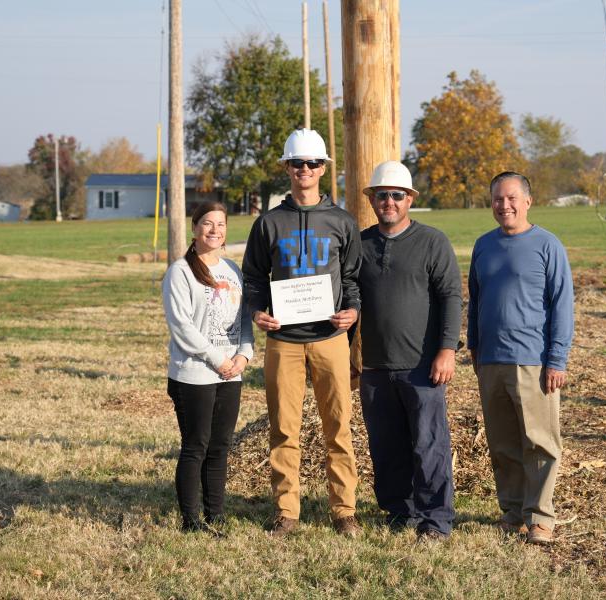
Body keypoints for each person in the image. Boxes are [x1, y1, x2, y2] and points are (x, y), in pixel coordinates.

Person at [242, 128, 362, 538]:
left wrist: (353, 311)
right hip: (284, 342)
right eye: (297, 163)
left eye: (312, 163)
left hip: (330, 339)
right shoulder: (268, 223)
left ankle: (344, 510)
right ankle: (286, 512)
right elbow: (254, 277)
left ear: (324, 169)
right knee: (283, 428)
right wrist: (258, 312)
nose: (304, 170)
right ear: (286, 168)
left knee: (338, 427)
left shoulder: (342, 221)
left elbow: (352, 278)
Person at [356, 161, 462, 540]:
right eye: (381, 195)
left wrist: (447, 349)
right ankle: (400, 511)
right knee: (387, 445)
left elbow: (451, 297)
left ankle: (435, 519)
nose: (389, 201)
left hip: (422, 366)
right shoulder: (361, 245)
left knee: (429, 445)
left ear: (410, 199)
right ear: (371, 199)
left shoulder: (432, 242)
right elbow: (348, 299)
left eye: (397, 195)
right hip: (376, 366)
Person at [468, 171, 574, 545]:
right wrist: (474, 346)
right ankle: (513, 513)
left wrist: (557, 360)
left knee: (540, 442)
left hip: (533, 361)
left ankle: (541, 518)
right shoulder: (483, 246)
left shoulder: (547, 245)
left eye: (512, 198)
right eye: (498, 199)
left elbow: (563, 305)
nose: (504, 205)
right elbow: (476, 300)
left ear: (528, 201)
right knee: (503, 444)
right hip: (491, 360)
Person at [162, 200, 253, 535]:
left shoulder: (232, 270)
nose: (215, 230)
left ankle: (216, 514)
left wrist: (244, 356)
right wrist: (219, 360)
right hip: (194, 374)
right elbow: (182, 328)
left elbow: (244, 318)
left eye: (221, 224)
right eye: (207, 224)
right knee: (196, 445)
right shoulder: (180, 272)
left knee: (220, 446)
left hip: (231, 373)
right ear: (195, 228)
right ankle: (191, 520)